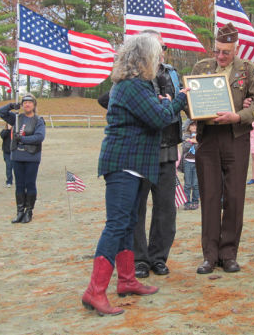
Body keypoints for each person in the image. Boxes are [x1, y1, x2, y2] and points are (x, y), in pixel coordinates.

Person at [82, 33, 188, 316]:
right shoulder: (132, 86)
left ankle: (127, 280)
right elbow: (158, 118)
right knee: (117, 225)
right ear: (145, 58)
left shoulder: (134, 86)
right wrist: (179, 100)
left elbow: (154, 113)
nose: (161, 58)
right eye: (158, 54)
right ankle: (95, 290)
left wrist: (166, 104)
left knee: (128, 223)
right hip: (123, 164)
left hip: (135, 165)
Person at [191, 22, 254, 274]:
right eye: (217, 51)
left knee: (234, 197)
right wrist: (193, 111)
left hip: (236, 137)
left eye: (226, 51)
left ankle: (229, 253)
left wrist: (240, 116)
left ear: (236, 49)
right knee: (210, 196)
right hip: (208, 138)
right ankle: (209, 256)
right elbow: (189, 101)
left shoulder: (248, 69)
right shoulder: (201, 68)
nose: (220, 56)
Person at [132, 29, 185, 279]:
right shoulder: (131, 74)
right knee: (137, 209)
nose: (163, 52)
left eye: (164, 47)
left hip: (167, 149)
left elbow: (186, 102)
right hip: (141, 151)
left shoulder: (172, 73)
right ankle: (139, 259)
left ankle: (158, 257)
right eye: (158, 47)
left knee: (166, 209)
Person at [0, 94, 45, 224]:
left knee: (29, 184)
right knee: (19, 184)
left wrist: (22, 139)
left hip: (32, 156)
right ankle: (19, 211)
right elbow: (0, 112)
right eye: (24, 102)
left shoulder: (38, 120)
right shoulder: (17, 118)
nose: (27, 105)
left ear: (34, 105)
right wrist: (11, 106)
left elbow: (39, 137)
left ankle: (29, 211)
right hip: (17, 155)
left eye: (29, 102)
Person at [181, 119, 199, 210]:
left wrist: (193, 141)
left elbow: (198, 147)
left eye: (195, 126)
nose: (194, 127)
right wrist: (192, 141)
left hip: (197, 162)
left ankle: (195, 201)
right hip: (187, 162)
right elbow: (185, 148)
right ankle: (186, 202)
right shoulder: (185, 136)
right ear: (188, 127)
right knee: (187, 184)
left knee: (196, 184)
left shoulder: (200, 136)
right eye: (192, 125)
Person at [0, 123, 14, 188]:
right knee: (8, 167)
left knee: (16, 168)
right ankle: (9, 181)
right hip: (7, 152)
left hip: (15, 152)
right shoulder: (4, 131)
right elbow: (2, 136)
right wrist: (8, 129)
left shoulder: (16, 131)